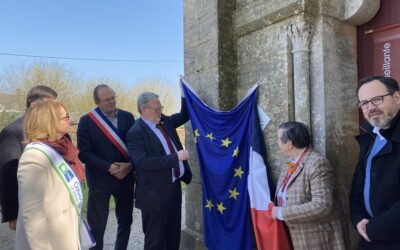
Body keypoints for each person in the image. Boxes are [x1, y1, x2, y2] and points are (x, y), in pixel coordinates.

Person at [16, 100, 87, 249]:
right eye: (65, 117)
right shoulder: (34, 157)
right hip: (51, 242)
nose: (70, 120)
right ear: (48, 122)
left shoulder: (62, 150)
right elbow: (33, 217)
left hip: (65, 234)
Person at [126, 90, 192, 250]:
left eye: (160, 107)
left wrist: (184, 93)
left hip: (173, 188)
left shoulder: (163, 121)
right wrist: (175, 158)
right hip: (153, 196)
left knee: (173, 237)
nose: (160, 111)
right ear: (143, 109)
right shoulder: (135, 132)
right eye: (156, 109)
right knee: (155, 241)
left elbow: (184, 115)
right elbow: (142, 162)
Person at [271, 121, 347, 250]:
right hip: (295, 237)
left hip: (318, 240)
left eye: (278, 139)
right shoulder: (290, 162)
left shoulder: (317, 163)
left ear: (289, 143)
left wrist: (281, 212)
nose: (277, 142)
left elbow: (321, 205)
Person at [77, 84, 135, 250]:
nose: (111, 102)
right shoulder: (87, 121)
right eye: (106, 100)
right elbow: (84, 153)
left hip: (126, 178)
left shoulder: (128, 117)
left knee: (125, 221)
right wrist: (108, 167)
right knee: (98, 225)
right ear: (97, 102)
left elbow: (135, 145)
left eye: (113, 97)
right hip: (100, 180)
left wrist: (130, 166)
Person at [349, 76, 400, 249]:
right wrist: (357, 218)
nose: (370, 108)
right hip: (371, 238)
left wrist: (374, 229)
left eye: (377, 99)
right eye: (364, 103)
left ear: (397, 98)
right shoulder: (371, 137)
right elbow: (359, 184)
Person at [0, 85, 57, 231]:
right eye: (49, 105)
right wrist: (12, 214)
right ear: (34, 105)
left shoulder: (52, 130)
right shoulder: (12, 132)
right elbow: (8, 176)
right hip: (29, 208)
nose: (53, 110)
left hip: (53, 205)